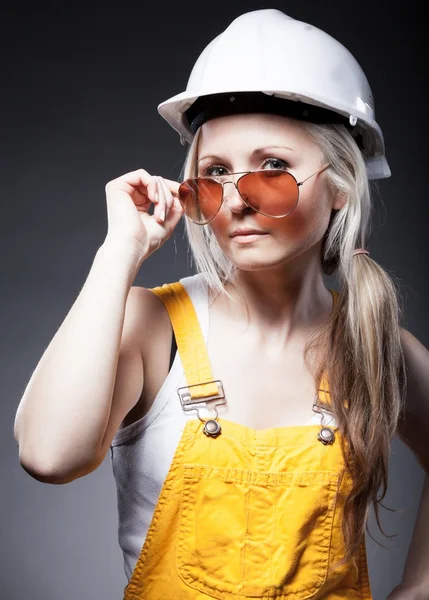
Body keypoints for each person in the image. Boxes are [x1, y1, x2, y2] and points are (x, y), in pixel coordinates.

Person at [14, 8, 429, 600]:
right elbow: (49, 455)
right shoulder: (152, 327)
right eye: (213, 173)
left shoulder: (374, 344)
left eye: (274, 168)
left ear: (341, 184)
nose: (236, 201)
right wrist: (119, 252)